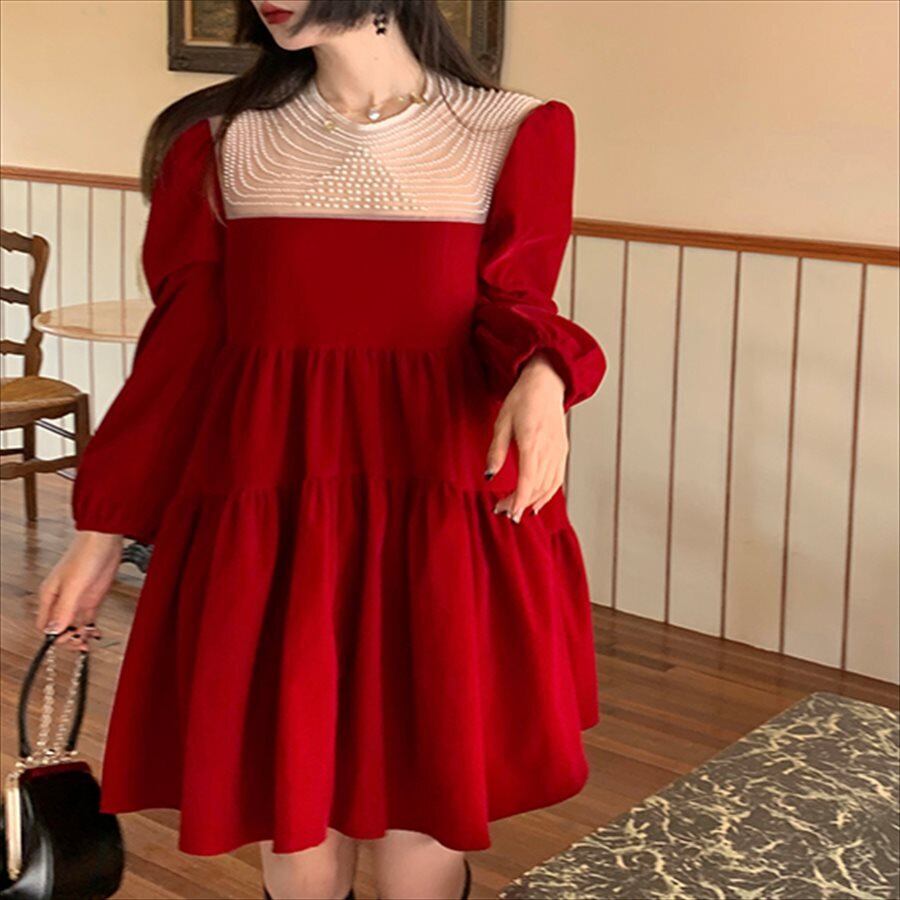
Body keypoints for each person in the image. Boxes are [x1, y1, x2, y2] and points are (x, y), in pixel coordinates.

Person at [34, 1, 608, 898]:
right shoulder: (216, 142)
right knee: (295, 824)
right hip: (271, 508)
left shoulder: (515, 130)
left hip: (438, 502)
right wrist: (100, 531)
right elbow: (178, 359)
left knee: (424, 822)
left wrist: (545, 372)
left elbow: (516, 303)